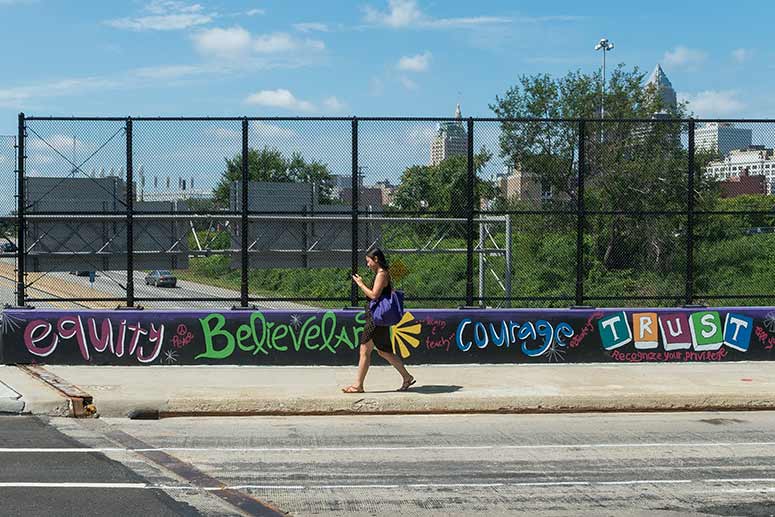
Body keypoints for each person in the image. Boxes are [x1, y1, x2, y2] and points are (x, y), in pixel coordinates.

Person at [342, 248, 415, 393]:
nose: (367, 265)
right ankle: (407, 377)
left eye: (368, 261)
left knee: (364, 350)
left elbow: (374, 295)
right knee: (383, 351)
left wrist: (361, 284)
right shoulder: (381, 273)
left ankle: (358, 386)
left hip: (375, 319)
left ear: (376, 259)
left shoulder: (381, 274)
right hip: (376, 317)